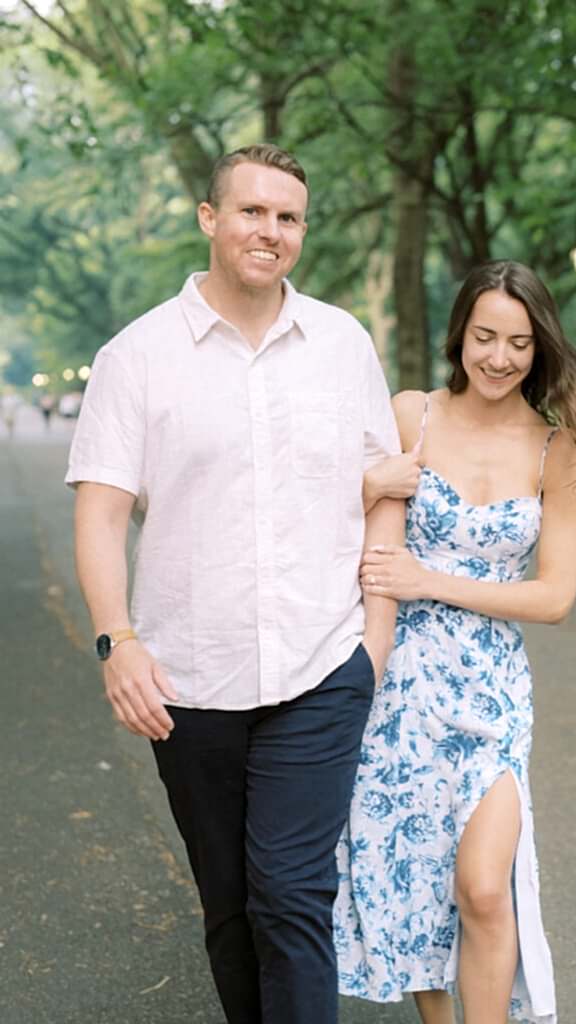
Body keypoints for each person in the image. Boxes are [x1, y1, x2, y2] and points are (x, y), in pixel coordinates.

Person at [65, 143, 404, 1024]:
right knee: (230, 903)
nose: (271, 231)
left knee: (292, 897)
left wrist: (374, 639)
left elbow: (381, 487)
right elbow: (101, 514)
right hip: (189, 674)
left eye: (287, 217)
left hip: (321, 664)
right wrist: (118, 642)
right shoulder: (135, 356)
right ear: (210, 219)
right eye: (252, 211)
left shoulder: (341, 343)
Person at [334, 260, 576, 1024]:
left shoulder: (560, 448)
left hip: (489, 689)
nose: (498, 357)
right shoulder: (408, 415)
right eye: (484, 336)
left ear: (539, 346)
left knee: (484, 887)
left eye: (518, 342)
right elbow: (336, 514)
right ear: (460, 333)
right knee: (419, 879)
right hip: (396, 684)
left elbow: (553, 596)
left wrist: (431, 579)